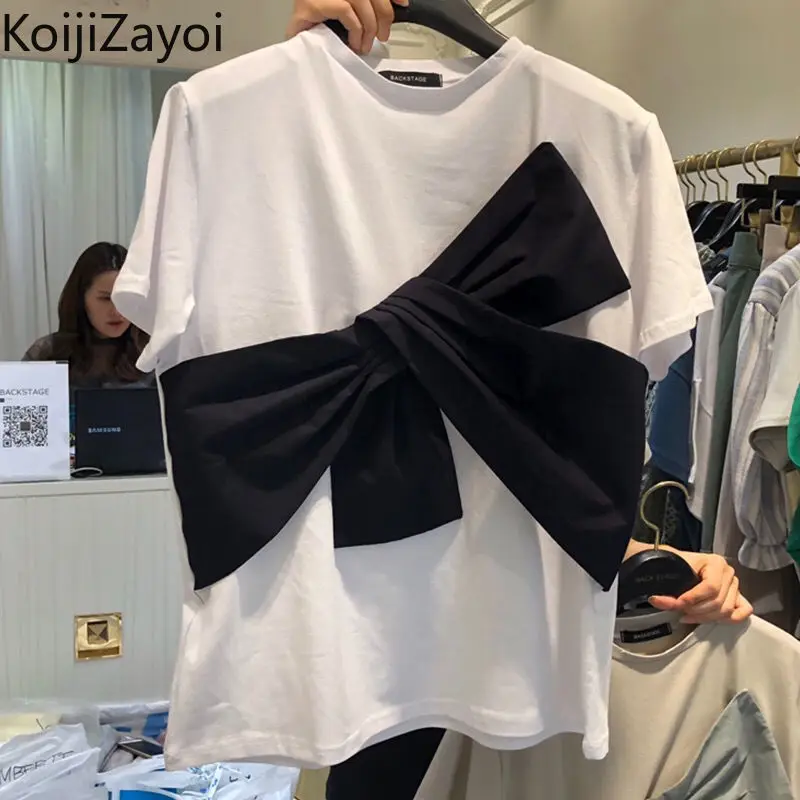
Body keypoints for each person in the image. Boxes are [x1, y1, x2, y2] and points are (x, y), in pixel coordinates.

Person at [281, 3, 754, 798]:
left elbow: (533, 488)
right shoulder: (290, 179)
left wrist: (662, 563)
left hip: (530, 685)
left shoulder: (607, 151)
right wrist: (288, 83)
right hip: (379, 677)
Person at [22, 241, 152, 391]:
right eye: (105, 299)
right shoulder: (47, 353)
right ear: (81, 298)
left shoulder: (153, 354)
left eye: (126, 298)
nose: (117, 312)